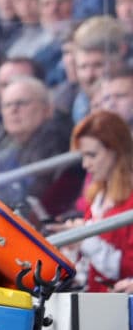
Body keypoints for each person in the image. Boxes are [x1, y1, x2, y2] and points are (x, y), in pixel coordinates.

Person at [67, 110, 133, 291]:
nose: (85, 164)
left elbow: (128, 268)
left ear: (116, 151)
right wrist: (75, 244)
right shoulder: (97, 196)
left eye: (92, 155)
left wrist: (84, 238)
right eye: (83, 156)